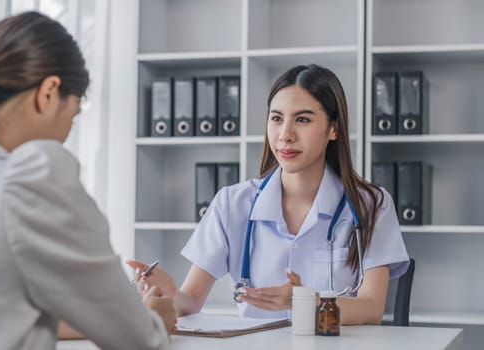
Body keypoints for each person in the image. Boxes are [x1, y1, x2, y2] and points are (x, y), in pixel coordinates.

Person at [129, 64, 409, 325]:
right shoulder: (232, 203)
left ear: (333, 129)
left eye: (302, 119)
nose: (285, 135)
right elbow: (189, 302)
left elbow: (371, 307)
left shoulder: (371, 205)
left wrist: (305, 303)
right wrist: (168, 294)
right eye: (276, 118)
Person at [0, 11, 175, 350]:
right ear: (48, 92)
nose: (64, 134)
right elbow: (139, 341)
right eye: (72, 116)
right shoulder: (28, 181)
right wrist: (155, 319)